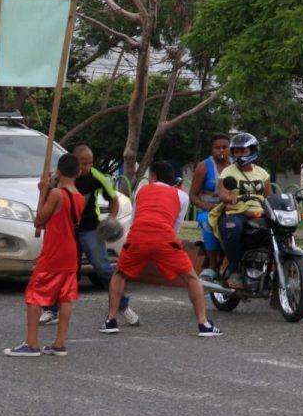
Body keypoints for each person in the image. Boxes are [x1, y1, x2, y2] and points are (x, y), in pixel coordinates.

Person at [99, 160, 222, 337]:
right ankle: (203, 324)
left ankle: (111, 320)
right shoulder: (182, 196)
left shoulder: (142, 190)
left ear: (154, 176)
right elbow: (176, 227)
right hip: (165, 238)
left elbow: (135, 219)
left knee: (119, 274)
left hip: (138, 236)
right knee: (191, 277)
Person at [39, 145, 139, 327]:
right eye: (83, 163)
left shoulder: (97, 177)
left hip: (90, 229)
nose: (87, 167)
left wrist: (112, 219)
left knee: (103, 268)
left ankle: (123, 306)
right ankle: (51, 310)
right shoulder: (60, 177)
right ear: (75, 163)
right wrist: (43, 188)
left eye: (90, 163)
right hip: (67, 230)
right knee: (63, 270)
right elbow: (46, 199)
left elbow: (114, 199)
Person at [3, 154, 85, 357]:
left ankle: (31, 343)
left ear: (58, 172)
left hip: (54, 251)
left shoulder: (57, 194)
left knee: (34, 293)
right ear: (79, 172)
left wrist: (43, 192)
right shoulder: (79, 197)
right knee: (66, 296)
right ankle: (59, 343)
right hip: (71, 251)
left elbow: (39, 219)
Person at [216, 132, 274, 289]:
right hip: (236, 213)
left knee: (277, 231)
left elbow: (269, 197)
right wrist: (230, 198)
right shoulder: (228, 171)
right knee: (234, 228)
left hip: (258, 213)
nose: (240, 154)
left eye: (243, 151)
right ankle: (234, 269)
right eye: (236, 151)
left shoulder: (262, 173)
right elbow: (222, 193)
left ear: (252, 150)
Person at [189, 133, 231, 281]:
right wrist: (206, 206)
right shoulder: (204, 166)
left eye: (224, 147)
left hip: (230, 209)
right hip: (208, 209)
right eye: (217, 148)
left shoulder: (236, 166)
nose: (221, 151)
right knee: (208, 222)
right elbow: (192, 195)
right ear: (212, 150)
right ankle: (212, 266)